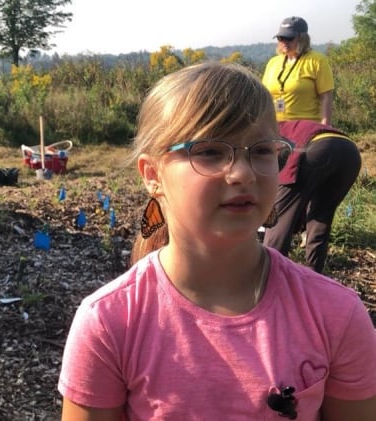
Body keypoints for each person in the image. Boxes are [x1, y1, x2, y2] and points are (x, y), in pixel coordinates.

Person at [57, 62, 376, 420]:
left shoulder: (335, 315)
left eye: (261, 151)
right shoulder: (110, 322)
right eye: (210, 151)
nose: (242, 173)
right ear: (152, 174)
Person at [263, 120, 361, 273]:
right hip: (350, 152)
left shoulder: (261, 131)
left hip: (316, 148)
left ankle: (268, 277)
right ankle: (314, 274)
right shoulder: (280, 126)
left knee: (280, 218)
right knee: (320, 217)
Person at [262, 16, 334, 125]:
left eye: (289, 38)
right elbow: (263, 97)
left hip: (305, 125)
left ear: (302, 38)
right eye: (281, 38)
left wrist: (325, 125)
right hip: (274, 126)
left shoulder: (317, 61)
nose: (284, 42)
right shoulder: (273, 63)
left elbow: (326, 96)